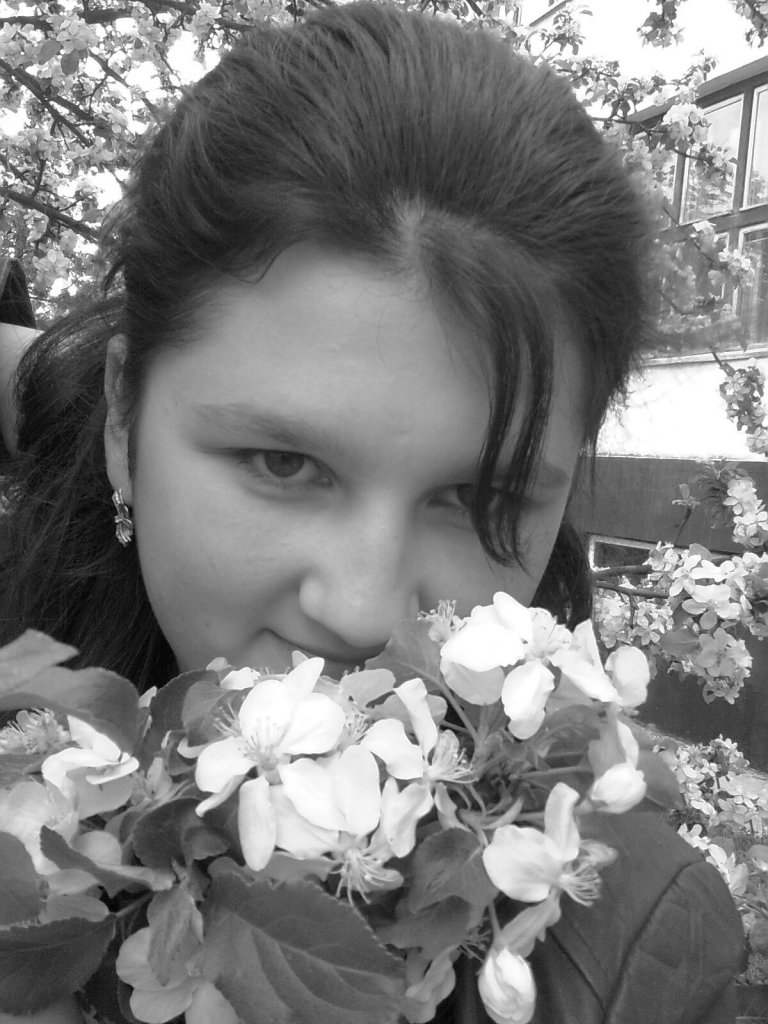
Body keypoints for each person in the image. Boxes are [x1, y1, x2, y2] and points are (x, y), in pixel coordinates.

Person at [0, 4, 743, 1022]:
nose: (361, 611)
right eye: (283, 462)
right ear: (125, 420)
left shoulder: (636, 952)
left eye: (475, 497)